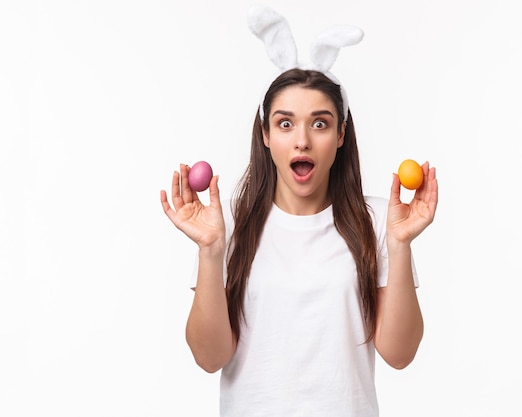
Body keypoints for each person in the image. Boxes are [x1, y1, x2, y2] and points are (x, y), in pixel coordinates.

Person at [160, 9, 438, 417]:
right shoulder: (228, 224)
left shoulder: (379, 221)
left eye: (320, 124)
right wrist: (210, 249)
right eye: (285, 124)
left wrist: (399, 245)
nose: (302, 141)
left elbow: (399, 354)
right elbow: (208, 357)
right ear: (266, 134)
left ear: (341, 134)